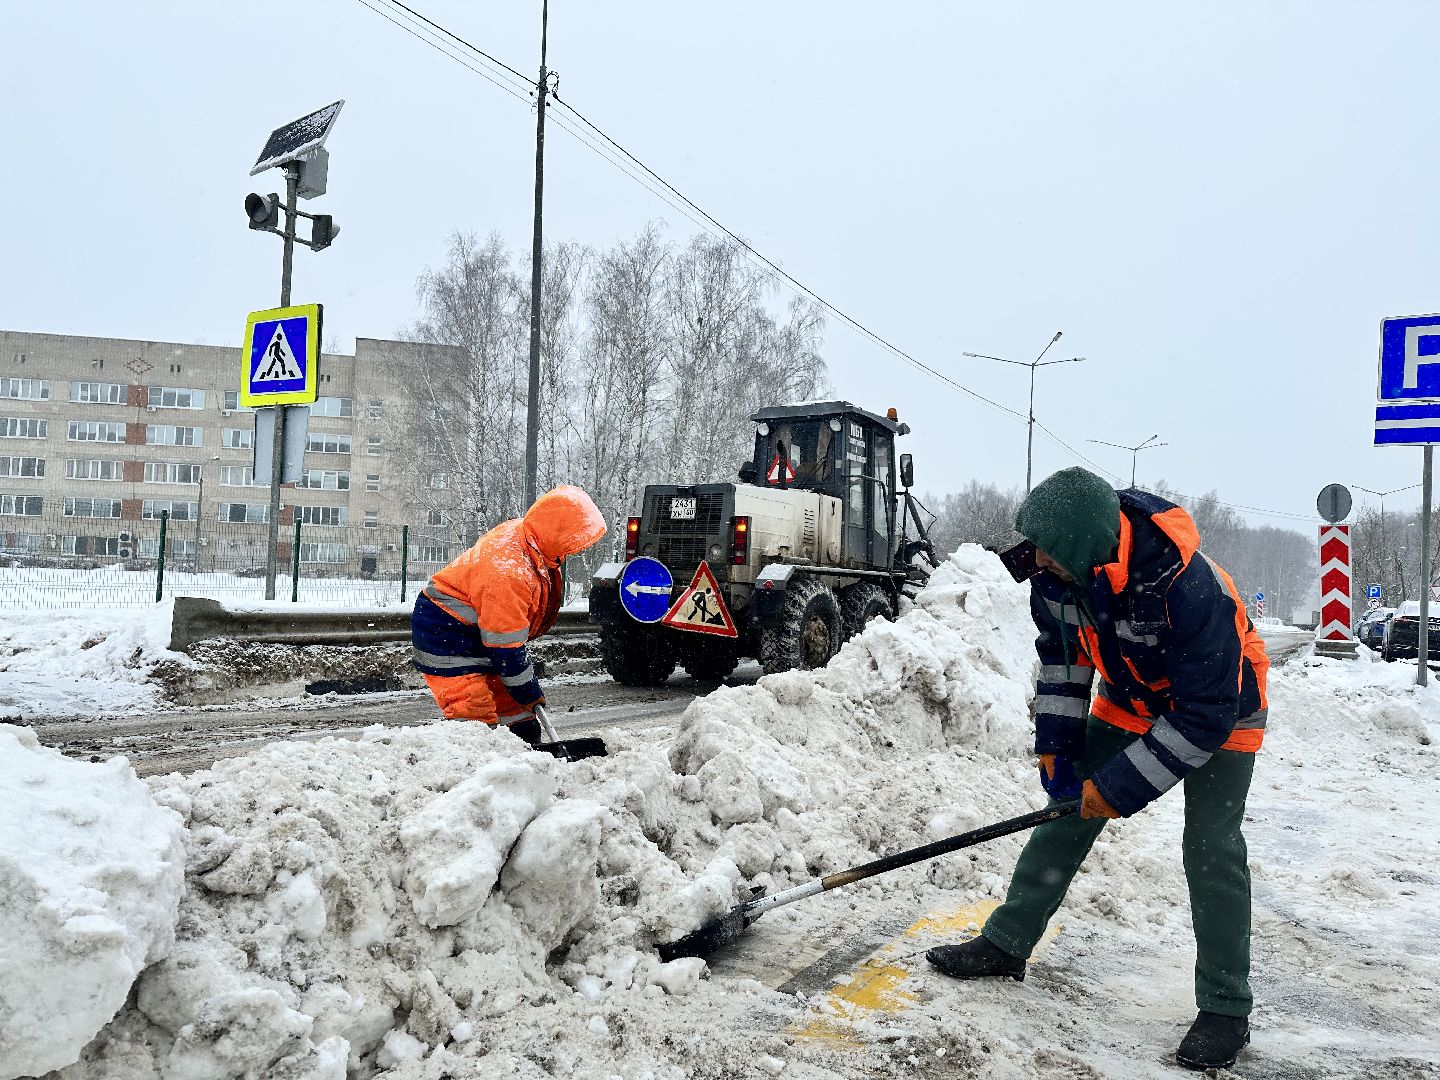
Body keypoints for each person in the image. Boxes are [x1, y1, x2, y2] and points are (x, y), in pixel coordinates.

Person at [926, 467, 1269, 1072]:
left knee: (1211, 847)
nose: (1036, 563)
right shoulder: (1057, 576)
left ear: (1086, 549)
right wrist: (1058, 746)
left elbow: (1202, 717)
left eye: (1048, 554)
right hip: (1131, 693)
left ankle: (1225, 1007)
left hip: (1224, 703)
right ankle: (1006, 943)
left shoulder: (1184, 586)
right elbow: (1062, 660)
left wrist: (1117, 788)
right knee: (1064, 812)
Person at [411, 485, 606, 745]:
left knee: (518, 717)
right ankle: (472, 773)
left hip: (479, 631)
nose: (575, 551)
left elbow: (505, 643)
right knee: (475, 718)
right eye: (573, 541)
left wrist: (524, 696)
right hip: (444, 632)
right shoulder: (508, 571)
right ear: (557, 532)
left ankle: (526, 760)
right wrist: (528, 689)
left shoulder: (531, 538)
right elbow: (506, 646)